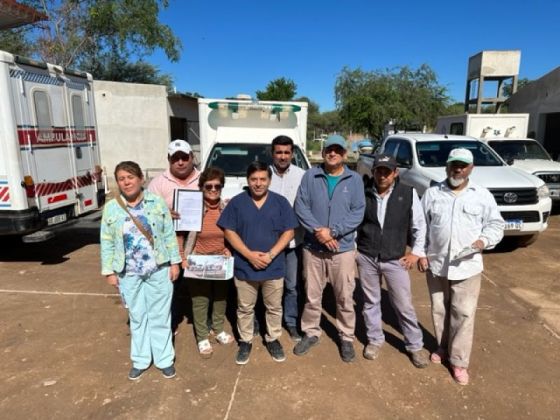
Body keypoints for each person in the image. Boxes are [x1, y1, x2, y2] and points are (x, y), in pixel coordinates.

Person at [419, 148, 504, 385]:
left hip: (467, 266)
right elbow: (422, 226)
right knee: (440, 310)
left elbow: (496, 225)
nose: (458, 169)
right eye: (454, 164)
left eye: (463, 165)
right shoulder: (433, 193)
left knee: (463, 314)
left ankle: (458, 362)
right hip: (437, 264)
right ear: (447, 166)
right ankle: (443, 347)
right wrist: (422, 253)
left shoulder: (482, 195)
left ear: (471, 168)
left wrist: (482, 241)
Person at [100, 161, 181, 380]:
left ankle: (164, 359)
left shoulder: (156, 202)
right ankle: (141, 359)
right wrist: (109, 271)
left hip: (158, 268)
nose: (126, 182)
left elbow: (167, 234)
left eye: (130, 177)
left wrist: (175, 262)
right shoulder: (111, 207)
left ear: (140, 179)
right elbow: (106, 240)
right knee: (137, 316)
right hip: (128, 272)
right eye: (121, 179)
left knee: (160, 315)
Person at [217, 161, 299, 365]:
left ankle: (273, 339)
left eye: (263, 179)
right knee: (245, 308)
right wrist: (249, 255)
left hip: (274, 266)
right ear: (248, 180)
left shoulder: (280, 202)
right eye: (254, 179)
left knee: (273, 307)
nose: (258, 183)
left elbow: (289, 231)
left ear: (269, 181)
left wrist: (270, 255)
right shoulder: (237, 202)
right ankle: (245, 341)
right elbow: (229, 231)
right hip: (245, 266)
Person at [293, 134, 365, 362]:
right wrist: (319, 232)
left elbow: (358, 212)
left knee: (344, 296)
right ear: (324, 152)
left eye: (338, 150)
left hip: (342, 249)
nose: (332, 153)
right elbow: (301, 206)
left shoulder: (354, 180)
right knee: (312, 295)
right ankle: (311, 332)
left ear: (345, 154)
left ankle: (346, 337)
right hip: (313, 248)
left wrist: (333, 232)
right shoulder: (310, 175)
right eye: (329, 149)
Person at [355, 154, 429, 368]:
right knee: (370, 302)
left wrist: (416, 252)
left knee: (403, 304)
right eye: (379, 170)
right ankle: (375, 340)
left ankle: (415, 345)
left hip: (395, 258)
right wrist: (354, 250)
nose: (382, 175)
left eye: (387, 171)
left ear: (395, 173)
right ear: (374, 171)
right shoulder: (365, 192)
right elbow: (356, 222)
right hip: (367, 255)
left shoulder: (408, 193)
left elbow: (419, 225)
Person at [148, 139, 201, 332]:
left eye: (184, 157)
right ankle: (171, 319)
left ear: (191, 157)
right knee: (172, 281)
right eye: (175, 158)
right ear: (168, 159)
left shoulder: (203, 178)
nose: (180, 162)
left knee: (200, 282)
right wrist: (163, 214)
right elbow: (147, 212)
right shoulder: (157, 183)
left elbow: (214, 200)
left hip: (198, 238)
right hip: (171, 241)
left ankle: (203, 321)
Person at [184, 167, 234, 358]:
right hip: (198, 260)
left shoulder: (226, 208)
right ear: (201, 187)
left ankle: (218, 328)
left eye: (217, 186)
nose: (213, 189)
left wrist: (228, 248)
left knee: (221, 297)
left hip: (220, 261)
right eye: (208, 186)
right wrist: (183, 257)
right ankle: (202, 336)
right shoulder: (192, 208)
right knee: (200, 300)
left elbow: (231, 233)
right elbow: (181, 235)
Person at [269, 135, 306, 342]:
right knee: (266, 284)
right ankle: (262, 321)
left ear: (292, 154)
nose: (282, 156)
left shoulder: (302, 175)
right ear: (272, 153)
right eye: (278, 152)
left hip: (294, 242)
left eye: (286, 152)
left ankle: (291, 322)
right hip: (268, 242)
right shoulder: (263, 175)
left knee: (291, 285)